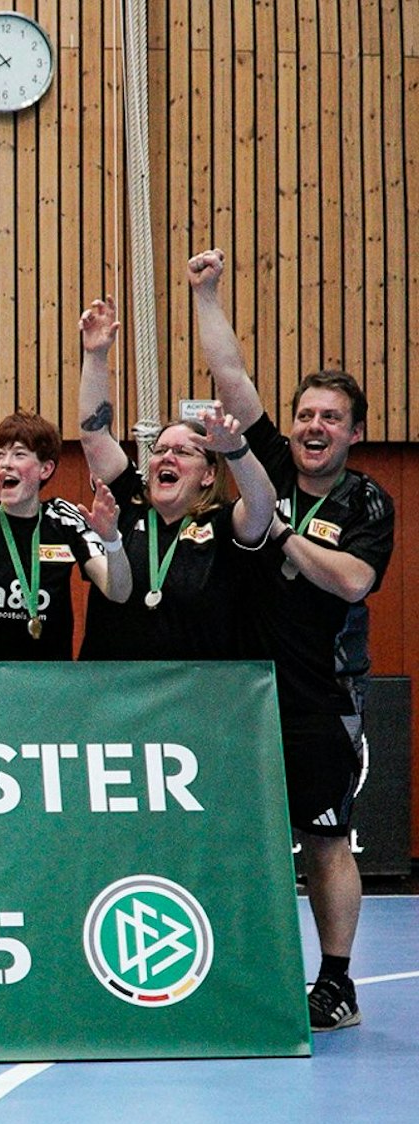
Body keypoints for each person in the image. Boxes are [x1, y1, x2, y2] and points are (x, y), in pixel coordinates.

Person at [188, 248, 396, 1032]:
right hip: (240, 688)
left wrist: (281, 535)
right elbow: (231, 374)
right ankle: (234, 970)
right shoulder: (268, 459)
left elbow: (353, 581)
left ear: (354, 432)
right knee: (234, 834)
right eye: (306, 414)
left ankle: (336, 982)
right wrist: (207, 294)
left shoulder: (366, 501)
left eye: (330, 418)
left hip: (320, 692)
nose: (313, 427)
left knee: (324, 838)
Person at [72, 294, 275, 661]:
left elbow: (262, 505)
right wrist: (96, 356)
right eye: (161, 450)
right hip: (115, 687)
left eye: (182, 452)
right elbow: (94, 435)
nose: (166, 457)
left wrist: (236, 450)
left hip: (196, 690)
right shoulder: (127, 505)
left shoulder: (222, 524)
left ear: (209, 474)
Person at [0, 410, 130, 659]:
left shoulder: (63, 518)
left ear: (46, 468)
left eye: (19, 454)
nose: (6, 463)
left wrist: (112, 540)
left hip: (46, 673)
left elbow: (118, 592)